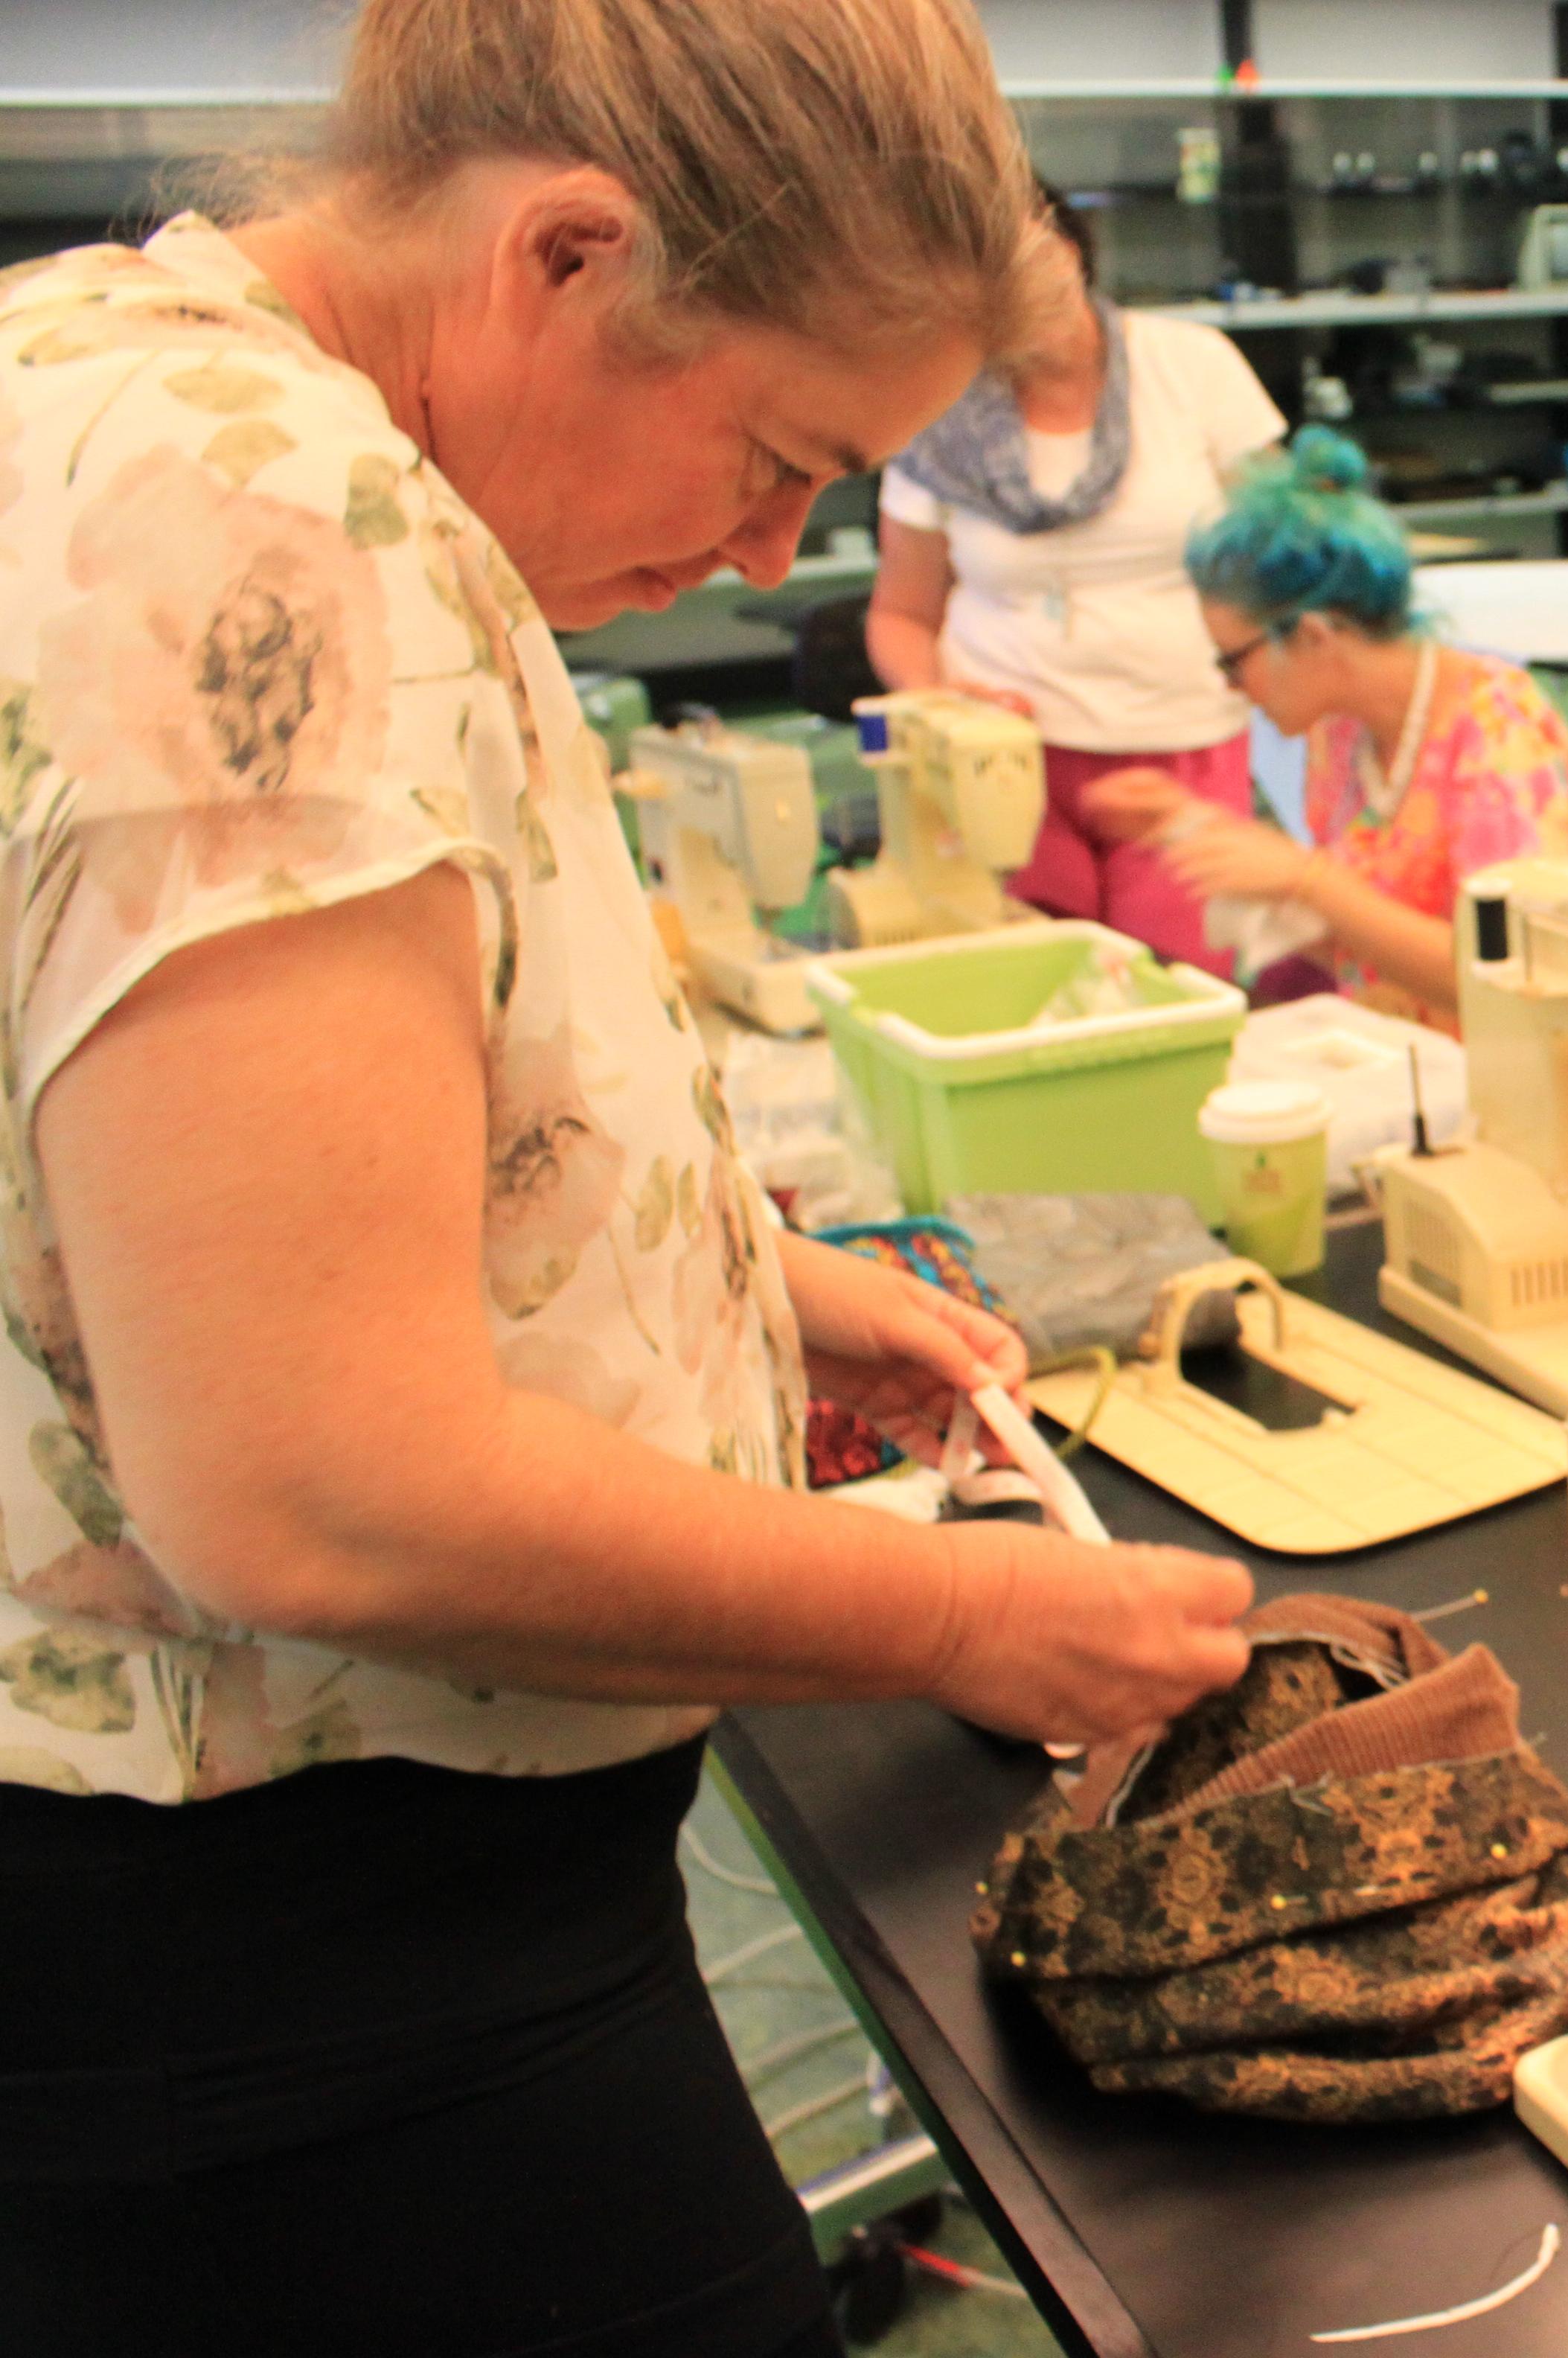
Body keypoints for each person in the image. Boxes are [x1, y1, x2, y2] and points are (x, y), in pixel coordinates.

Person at [0, 5, 1256, 2351]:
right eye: (774, 458)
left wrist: (728, 1275)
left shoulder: (120, 380)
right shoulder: (274, 519)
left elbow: (173, 1175)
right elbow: (310, 1484)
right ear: (567, 256)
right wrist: (965, 1620)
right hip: (308, 1983)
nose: (757, 554)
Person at [865, 182, 1285, 977]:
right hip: (1003, 765)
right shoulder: (936, 408)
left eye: (1034, 254)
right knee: (1029, 992)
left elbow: (1293, 552)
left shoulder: (1191, 366)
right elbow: (900, 614)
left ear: (1073, 248)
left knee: (1173, 994)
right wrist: (941, 698)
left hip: (1180, 743)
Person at [1145, 429, 1568, 1031]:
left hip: (1515, 1084)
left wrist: (1309, 883)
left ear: (1312, 636)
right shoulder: (1340, 734)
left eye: (1233, 660)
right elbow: (1366, 948)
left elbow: (1507, 980)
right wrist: (1224, 852)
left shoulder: (1499, 733)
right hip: (1404, 1063)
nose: (1230, 686)